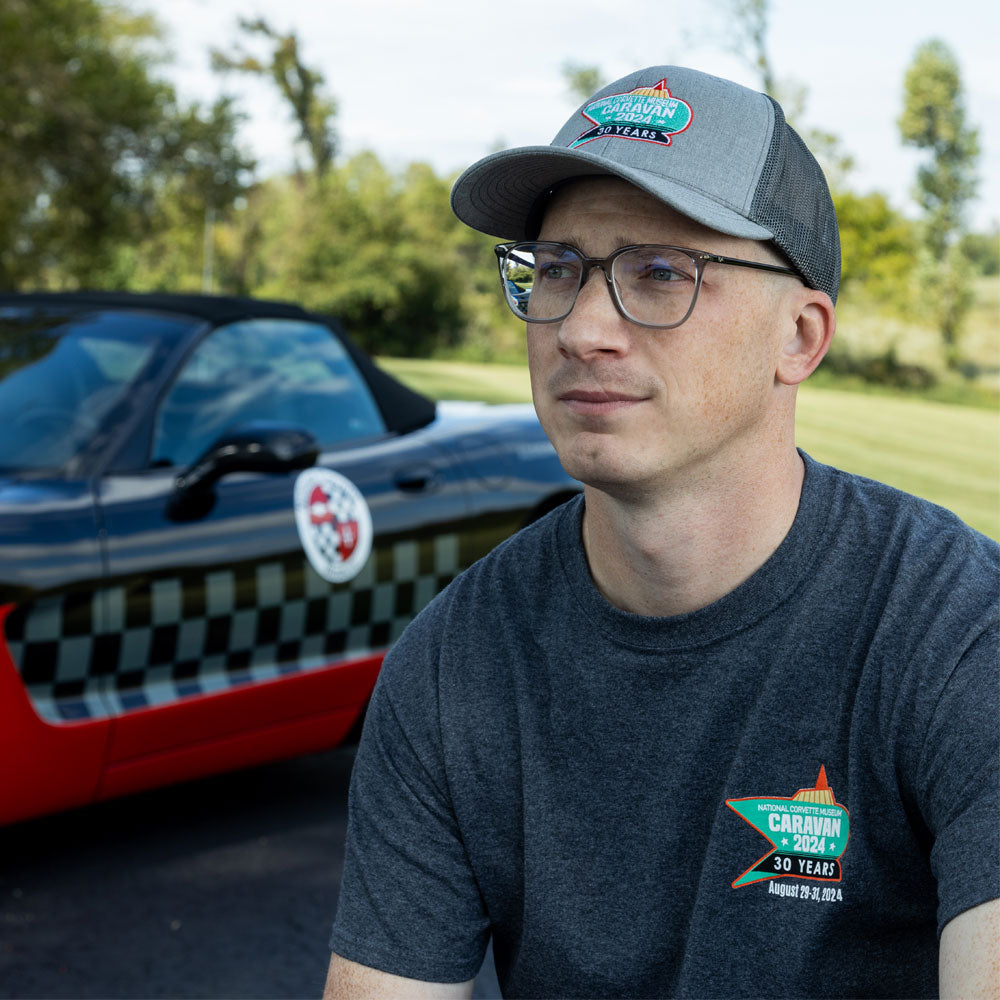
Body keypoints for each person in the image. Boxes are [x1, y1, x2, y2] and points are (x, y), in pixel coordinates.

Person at [324, 66, 999, 999]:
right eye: (556, 269)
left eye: (658, 272)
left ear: (799, 338)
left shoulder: (956, 631)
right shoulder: (456, 664)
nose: (583, 328)